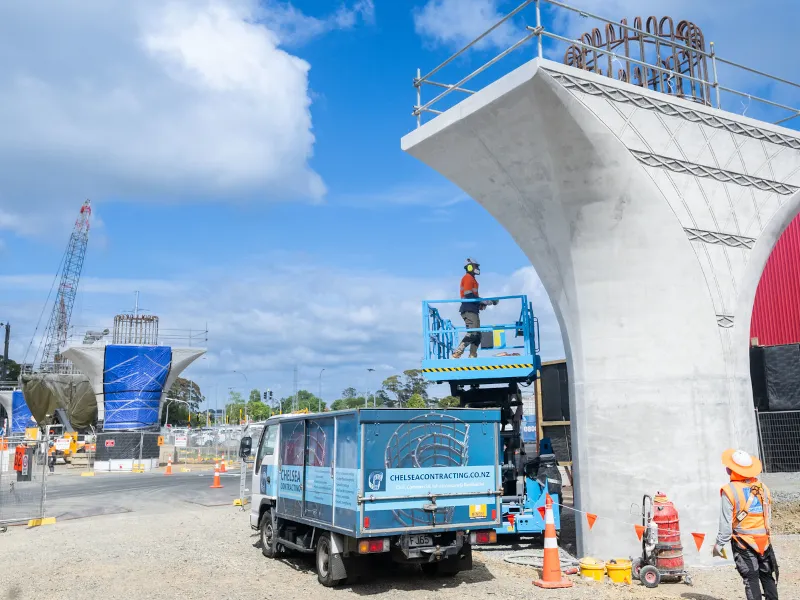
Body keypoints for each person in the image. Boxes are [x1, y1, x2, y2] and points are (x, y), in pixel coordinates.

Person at [713, 448, 779, 600]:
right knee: (767, 576)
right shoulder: (763, 488)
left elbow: (725, 522)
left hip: (743, 542)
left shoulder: (729, 490)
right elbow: (767, 515)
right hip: (764, 540)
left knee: (751, 578)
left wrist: (719, 545)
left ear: (732, 470)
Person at [452, 258, 496, 359]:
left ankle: (472, 355)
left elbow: (472, 297)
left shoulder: (472, 279)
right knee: (473, 333)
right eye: (476, 266)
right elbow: (468, 294)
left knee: (477, 334)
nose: (478, 268)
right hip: (469, 309)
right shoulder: (468, 278)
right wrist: (484, 301)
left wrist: (480, 304)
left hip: (472, 308)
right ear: (470, 267)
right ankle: (458, 351)